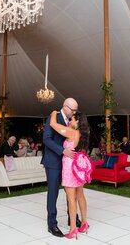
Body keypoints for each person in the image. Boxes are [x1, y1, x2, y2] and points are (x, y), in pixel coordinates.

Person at [41, 98, 81, 238]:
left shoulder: (72, 121)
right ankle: (52, 224)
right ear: (65, 106)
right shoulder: (53, 117)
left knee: (71, 192)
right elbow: (46, 139)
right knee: (53, 193)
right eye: (72, 110)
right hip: (53, 162)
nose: (74, 113)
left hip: (67, 163)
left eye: (76, 110)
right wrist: (62, 151)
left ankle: (73, 219)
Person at [49, 110, 91, 239]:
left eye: (72, 119)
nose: (69, 121)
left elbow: (53, 125)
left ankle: (73, 229)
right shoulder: (84, 134)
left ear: (77, 121)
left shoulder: (72, 132)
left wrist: (54, 114)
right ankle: (84, 223)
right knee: (80, 196)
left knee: (71, 199)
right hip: (79, 168)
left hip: (70, 168)